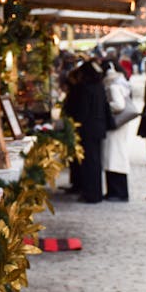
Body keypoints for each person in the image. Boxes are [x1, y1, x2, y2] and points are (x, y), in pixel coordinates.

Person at [63, 59, 112, 203]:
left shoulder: (85, 88)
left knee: (89, 163)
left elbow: (82, 111)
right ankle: (95, 192)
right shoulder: (99, 86)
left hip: (88, 130)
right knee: (95, 162)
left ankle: (90, 194)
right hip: (98, 128)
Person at [102, 64, 133, 201]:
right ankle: (116, 191)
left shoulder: (113, 87)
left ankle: (117, 192)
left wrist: (106, 106)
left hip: (115, 126)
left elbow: (119, 105)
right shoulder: (122, 84)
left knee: (113, 158)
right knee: (116, 157)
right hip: (119, 127)